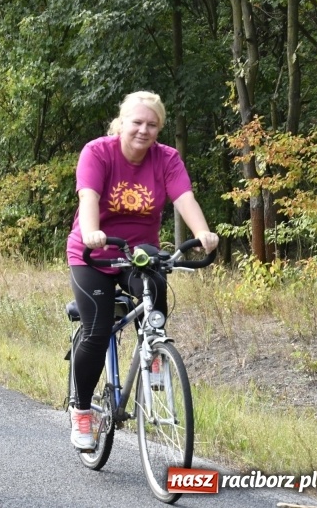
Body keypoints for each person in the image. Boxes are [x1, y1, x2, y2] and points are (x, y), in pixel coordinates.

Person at [66, 91, 219, 450]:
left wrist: (202, 233)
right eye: (137, 122)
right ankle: (83, 411)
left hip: (137, 253)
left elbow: (184, 198)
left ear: (159, 128)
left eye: (152, 124)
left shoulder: (166, 158)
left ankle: (154, 366)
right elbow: (88, 197)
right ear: (122, 123)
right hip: (93, 253)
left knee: (156, 313)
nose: (143, 130)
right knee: (97, 330)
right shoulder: (98, 152)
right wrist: (91, 233)